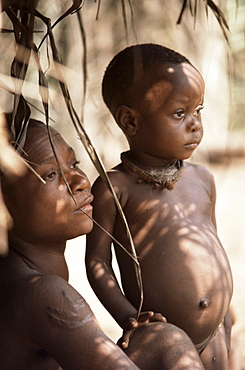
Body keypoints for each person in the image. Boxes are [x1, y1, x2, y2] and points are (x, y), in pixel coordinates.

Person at [0, 117, 205, 370]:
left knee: (160, 340)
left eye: (74, 163)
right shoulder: (43, 294)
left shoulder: (15, 275)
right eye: (51, 174)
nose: (81, 181)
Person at [85, 43, 234, 370]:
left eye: (199, 110)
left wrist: (227, 309)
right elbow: (97, 263)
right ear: (130, 121)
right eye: (180, 113)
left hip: (218, 331)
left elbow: (211, 244)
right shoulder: (116, 188)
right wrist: (128, 316)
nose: (195, 124)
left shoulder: (202, 179)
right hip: (165, 339)